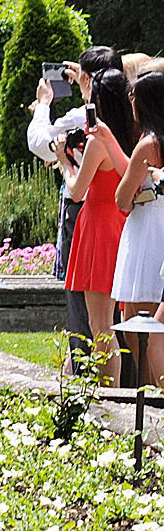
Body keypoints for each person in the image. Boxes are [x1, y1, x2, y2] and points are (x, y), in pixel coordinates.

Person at [30, 45, 120, 366]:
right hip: (118, 218)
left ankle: (96, 388)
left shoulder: (92, 129)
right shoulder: (126, 121)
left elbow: (42, 146)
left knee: (95, 327)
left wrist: (43, 106)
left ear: (92, 82)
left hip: (91, 220)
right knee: (114, 322)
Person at [70, 68, 137, 384]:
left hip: (98, 229)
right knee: (114, 322)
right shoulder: (132, 132)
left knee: (101, 325)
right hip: (120, 225)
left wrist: (64, 162)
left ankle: (109, 399)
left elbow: (76, 191)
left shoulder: (98, 141)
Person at [113, 72, 164, 387]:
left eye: (133, 98)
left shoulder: (147, 145)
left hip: (147, 232)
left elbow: (122, 199)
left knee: (137, 327)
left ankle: (149, 398)